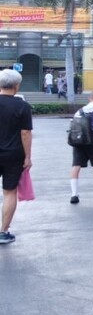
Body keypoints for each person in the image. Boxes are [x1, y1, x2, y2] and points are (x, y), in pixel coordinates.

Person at [0, 69, 32, 244]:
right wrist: (28, 157)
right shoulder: (22, 106)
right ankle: (3, 232)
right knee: (9, 192)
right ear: (17, 86)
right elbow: (25, 133)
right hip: (14, 155)